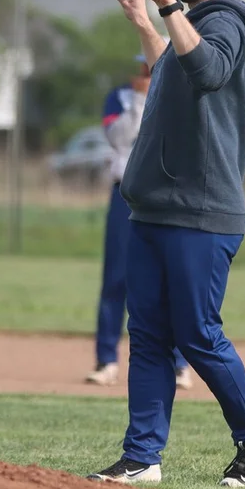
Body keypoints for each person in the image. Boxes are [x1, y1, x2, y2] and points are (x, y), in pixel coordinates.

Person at [87, 0, 245, 488]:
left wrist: (169, 7)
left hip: (201, 212)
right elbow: (172, 64)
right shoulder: (192, 23)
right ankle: (143, 456)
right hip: (152, 207)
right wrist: (146, 19)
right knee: (146, 334)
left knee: (197, 334)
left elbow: (207, 68)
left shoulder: (230, 23)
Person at [85, 52, 192, 391]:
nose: (147, 70)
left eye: (153, 63)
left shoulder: (181, 91)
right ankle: (106, 360)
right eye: (143, 64)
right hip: (125, 194)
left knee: (170, 280)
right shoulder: (120, 96)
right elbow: (118, 139)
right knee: (116, 277)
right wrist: (140, 99)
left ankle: (177, 364)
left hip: (166, 195)